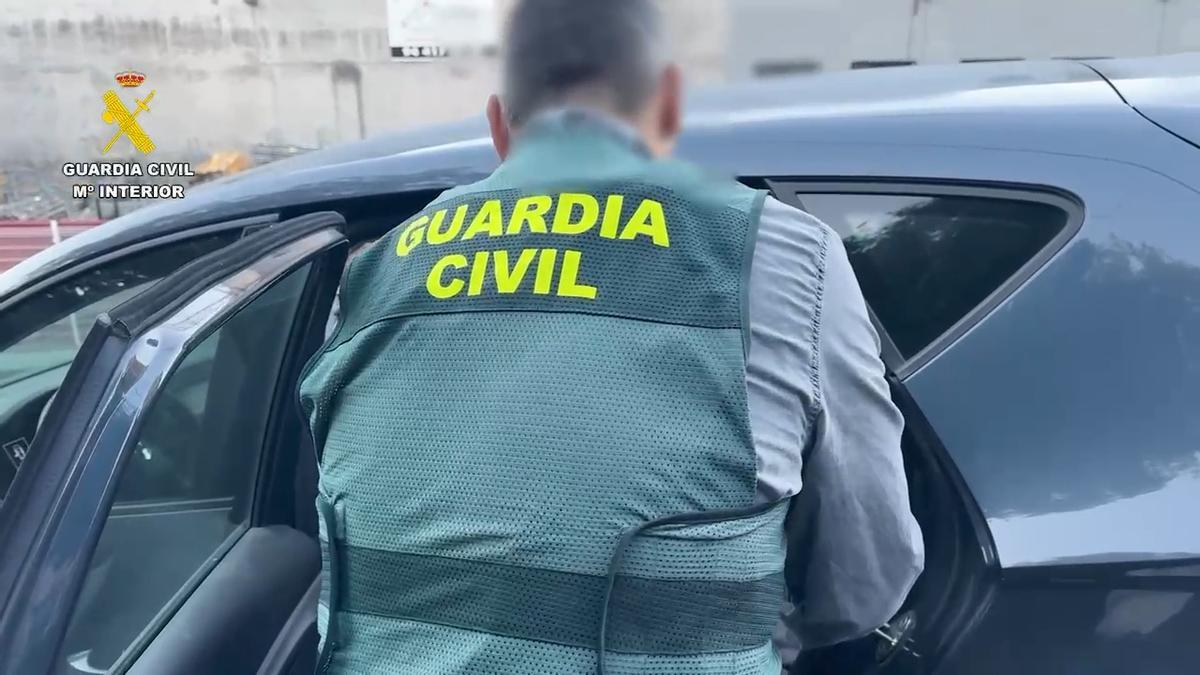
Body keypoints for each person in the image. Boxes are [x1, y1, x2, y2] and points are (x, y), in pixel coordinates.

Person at [299, 1, 923, 673]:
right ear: (668, 107)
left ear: (498, 124)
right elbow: (865, 581)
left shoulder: (372, 272)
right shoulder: (780, 258)